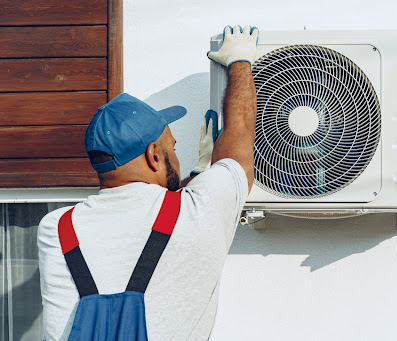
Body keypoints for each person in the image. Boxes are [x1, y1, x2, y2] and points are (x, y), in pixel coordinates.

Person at [38, 25, 258, 340]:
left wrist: (197, 176)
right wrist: (240, 61)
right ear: (154, 155)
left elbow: (136, 222)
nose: (176, 154)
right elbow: (239, 134)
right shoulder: (200, 212)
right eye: (173, 147)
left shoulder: (56, 229)